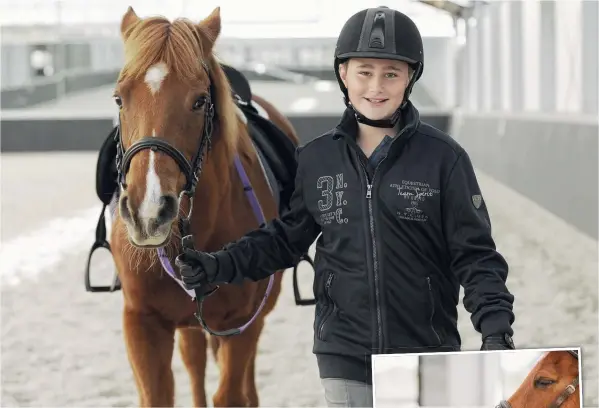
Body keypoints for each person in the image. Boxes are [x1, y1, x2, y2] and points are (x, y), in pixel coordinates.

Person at [175, 6, 516, 408]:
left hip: (427, 352)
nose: (376, 86)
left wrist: (495, 330)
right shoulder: (317, 159)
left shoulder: (445, 159)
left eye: (391, 73)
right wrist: (217, 265)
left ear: (411, 77)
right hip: (343, 356)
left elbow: (475, 256)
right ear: (343, 74)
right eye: (364, 71)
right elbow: (285, 239)